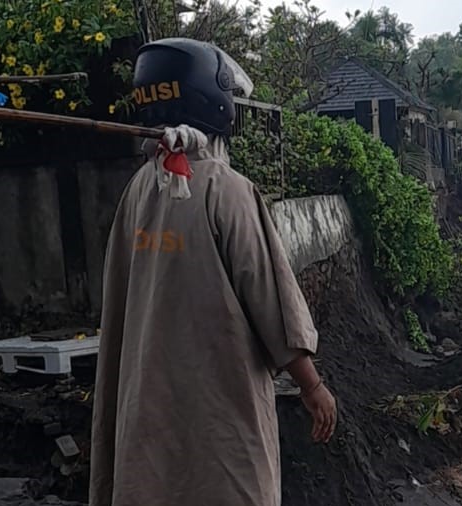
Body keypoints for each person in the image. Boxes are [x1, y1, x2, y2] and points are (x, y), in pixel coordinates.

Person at [89, 38, 337, 506]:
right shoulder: (228, 190)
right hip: (220, 412)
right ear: (215, 100)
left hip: (148, 411)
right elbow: (272, 304)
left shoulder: (138, 190)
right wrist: (313, 386)